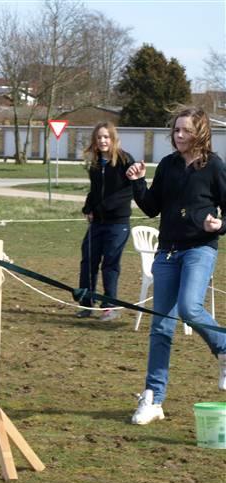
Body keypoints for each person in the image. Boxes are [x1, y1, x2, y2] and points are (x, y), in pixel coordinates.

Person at [126, 106, 226, 425]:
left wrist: (219, 226)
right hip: (167, 252)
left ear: (200, 133)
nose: (179, 135)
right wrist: (138, 183)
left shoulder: (214, 166)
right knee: (160, 326)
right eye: (176, 130)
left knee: (189, 308)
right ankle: (153, 398)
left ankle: (224, 348)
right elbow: (152, 207)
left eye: (185, 130)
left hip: (199, 249)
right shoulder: (168, 165)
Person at [76, 122, 134, 321]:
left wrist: (104, 207)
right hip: (97, 223)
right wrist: (88, 207)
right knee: (88, 261)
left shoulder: (125, 160)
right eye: (99, 137)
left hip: (118, 223)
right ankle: (86, 303)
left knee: (110, 264)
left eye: (106, 137)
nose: (102, 141)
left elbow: (128, 191)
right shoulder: (95, 163)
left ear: (113, 138)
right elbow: (94, 191)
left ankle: (109, 306)